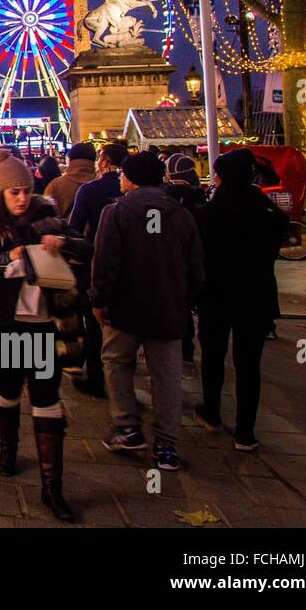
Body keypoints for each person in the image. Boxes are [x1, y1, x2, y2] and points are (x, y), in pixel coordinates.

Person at [0, 157, 91, 521]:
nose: (22, 198)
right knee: (8, 391)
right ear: (1, 192)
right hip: (6, 323)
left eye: (27, 191)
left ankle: (52, 488)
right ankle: (8, 448)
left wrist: (61, 242)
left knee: (48, 400)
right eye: (15, 192)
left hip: (46, 324)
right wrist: (5, 259)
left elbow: (85, 247)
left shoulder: (48, 214)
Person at [90, 152, 204, 472]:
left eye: (123, 174)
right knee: (166, 378)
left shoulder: (116, 213)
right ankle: (166, 444)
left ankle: (127, 428)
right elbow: (196, 266)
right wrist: (185, 301)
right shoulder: (181, 215)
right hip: (168, 308)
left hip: (124, 308)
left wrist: (99, 300)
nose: (120, 179)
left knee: (116, 364)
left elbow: (105, 263)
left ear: (131, 177)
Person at [195, 148, 288, 451]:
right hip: (256, 295)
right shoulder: (267, 211)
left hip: (216, 295)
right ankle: (245, 431)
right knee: (249, 364)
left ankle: (211, 412)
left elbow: (198, 255)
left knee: (212, 355)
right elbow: (278, 241)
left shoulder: (209, 213)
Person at [66, 141, 128, 396]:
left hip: (94, 259)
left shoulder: (90, 190)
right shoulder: (134, 191)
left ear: (105, 161)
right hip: (131, 263)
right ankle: (124, 379)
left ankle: (96, 375)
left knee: (92, 320)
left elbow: (75, 226)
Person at [163, 152, 207, 365]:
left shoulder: (164, 198)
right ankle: (187, 348)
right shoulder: (199, 197)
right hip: (193, 258)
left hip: (171, 258)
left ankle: (182, 346)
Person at [45, 142, 96, 218]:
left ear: (70, 159)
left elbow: (46, 216)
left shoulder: (56, 185)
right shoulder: (102, 185)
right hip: (98, 230)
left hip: (65, 229)